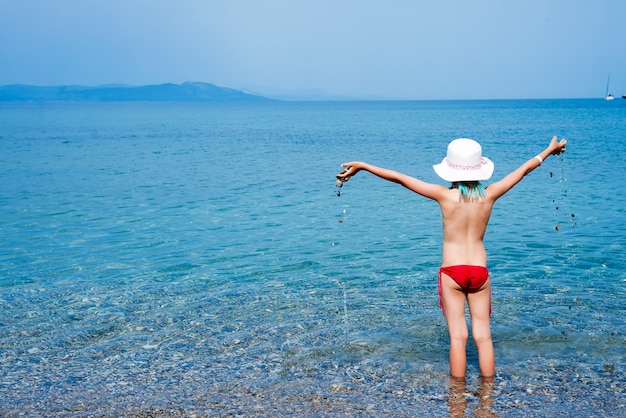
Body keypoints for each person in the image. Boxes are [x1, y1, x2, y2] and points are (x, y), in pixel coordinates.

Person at [336, 136, 567, 378]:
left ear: (450, 170)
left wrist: (363, 166)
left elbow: (400, 178)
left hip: (452, 272)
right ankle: (487, 400)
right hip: (479, 272)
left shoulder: (443, 196)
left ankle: (456, 402)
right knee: (483, 336)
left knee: (458, 337)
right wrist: (549, 150)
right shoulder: (489, 195)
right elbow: (523, 170)